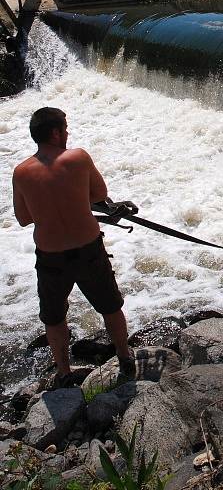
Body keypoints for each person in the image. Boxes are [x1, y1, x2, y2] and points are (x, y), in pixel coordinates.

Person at [12, 107, 135, 387]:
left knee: (54, 317)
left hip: (51, 257)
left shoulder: (21, 172)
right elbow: (100, 194)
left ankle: (65, 374)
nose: (67, 133)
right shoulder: (78, 158)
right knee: (110, 306)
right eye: (64, 129)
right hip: (88, 250)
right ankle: (125, 358)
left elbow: (22, 218)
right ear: (55, 133)